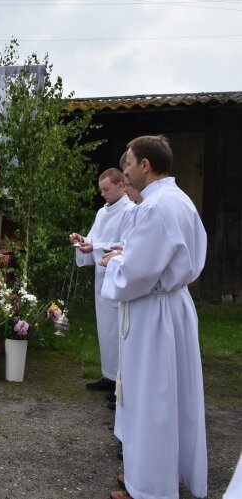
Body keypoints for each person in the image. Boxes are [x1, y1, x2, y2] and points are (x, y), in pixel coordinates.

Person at [99, 135, 207, 499]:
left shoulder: (154, 207)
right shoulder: (179, 200)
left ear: (145, 164)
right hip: (173, 306)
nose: (125, 170)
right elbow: (165, 254)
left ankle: (148, 487)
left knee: (152, 399)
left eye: (128, 163)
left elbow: (136, 274)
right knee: (170, 396)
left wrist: (115, 262)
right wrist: (125, 252)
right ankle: (160, 472)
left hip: (153, 313)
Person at [69, 169, 133, 403]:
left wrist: (94, 245)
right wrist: (81, 241)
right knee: (105, 328)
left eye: (107, 189)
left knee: (118, 331)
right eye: (101, 190)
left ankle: (122, 381)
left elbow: (125, 245)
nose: (103, 194)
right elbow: (94, 240)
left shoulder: (129, 211)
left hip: (118, 277)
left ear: (121, 185)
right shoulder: (102, 211)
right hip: (102, 276)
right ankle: (108, 374)